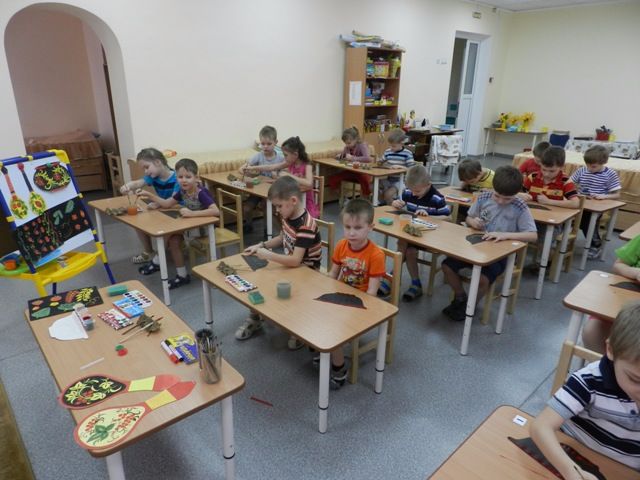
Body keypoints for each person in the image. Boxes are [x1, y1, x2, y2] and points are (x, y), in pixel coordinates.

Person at [531, 301, 640, 478]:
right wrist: (571, 471)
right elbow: (541, 426)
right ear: (611, 350)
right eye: (635, 379)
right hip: (576, 458)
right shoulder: (590, 380)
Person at [441, 166, 537, 321]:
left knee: (483, 279)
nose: (501, 201)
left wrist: (505, 235)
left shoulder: (520, 207)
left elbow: (533, 235)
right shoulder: (484, 197)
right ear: (493, 188)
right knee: (447, 266)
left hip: (499, 254)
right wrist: (473, 222)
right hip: (475, 246)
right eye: (497, 196)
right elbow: (469, 217)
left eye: (507, 199)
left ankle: (470, 306)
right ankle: (460, 297)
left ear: (516, 194)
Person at [237, 176, 322, 350]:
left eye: (278, 206)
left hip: (308, 272)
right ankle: (255, 317)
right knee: (256, 279)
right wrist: (261, 245)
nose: (276, 210)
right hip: (292, 267)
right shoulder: (289, 215)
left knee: (269, 280)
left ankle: (300, 328)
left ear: (293, 201)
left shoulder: (306, 225)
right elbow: (283, 237)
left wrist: (269, 255)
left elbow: (296, 260)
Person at [327, 198, 385, 388]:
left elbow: (372, 293)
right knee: (313, 315)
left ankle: (339, 368)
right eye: (347, 227)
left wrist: (348, 309)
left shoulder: (376, 255)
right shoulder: (341, 245)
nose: (351, 233)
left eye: (358, 228)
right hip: (341, 296)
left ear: (371, 227)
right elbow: (333, 274)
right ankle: (324, 352)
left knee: (332, 329)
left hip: (360, 303)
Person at [137, 158, 219, 289]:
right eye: (180, 177)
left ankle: (157, 261)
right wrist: (149, 195)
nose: (184, 180)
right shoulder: (182, 191)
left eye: (188, 177)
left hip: (204, 228)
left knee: (167, 232)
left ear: (196, 177)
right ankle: (182, 276)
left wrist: (192, 214)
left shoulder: (201, 192)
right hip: (190, 227)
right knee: (173, 241)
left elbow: (216, 211)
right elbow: (167, 203)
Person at [378, 165, 450, 301]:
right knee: (407, 248)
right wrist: (396, 203)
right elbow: (400, 203)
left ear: (428, 185)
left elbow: (448, 217)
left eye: (417, 191)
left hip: (429, 237)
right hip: (412, 234)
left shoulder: (436, 198)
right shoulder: (408, 192)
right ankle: (415, 284)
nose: (414, 194)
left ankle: (392, 277)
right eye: (411, 190)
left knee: (403, 245)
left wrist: (429, 216)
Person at [582, 234, 640, 353]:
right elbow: (618, 265)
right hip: (632, 291)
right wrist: (635, 272)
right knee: (592, 332)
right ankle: (607, 361)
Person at [119, 148, 179, 264]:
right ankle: (148, 251)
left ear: (158, 162)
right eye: (144, 169)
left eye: (147, 167)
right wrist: (128, 186)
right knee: (138, 222)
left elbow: (173, 201)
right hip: (163, 208)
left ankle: (160, 255)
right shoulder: (154, 177)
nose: (146, 172)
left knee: (164, 228)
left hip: (176, 209)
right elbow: (138, 183)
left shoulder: (177, 178)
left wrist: (157, 202)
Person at [570, 145, 621, 259]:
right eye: (587, 165)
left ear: (604, 162)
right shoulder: (582, 170)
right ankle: (561, 240)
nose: (589, 168)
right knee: (566, 217)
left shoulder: (610, 174)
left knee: (586, 222)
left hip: (596, 208)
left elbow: (617, 195)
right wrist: (574, 190)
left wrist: (604, 196)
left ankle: (595, 245)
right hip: (581, 203)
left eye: (593, 166)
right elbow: (569, 183)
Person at [238, 125, 284, 233]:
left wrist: (275, 177)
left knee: (266, 207)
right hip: (258, 190)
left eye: (269, 144)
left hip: (273, 192)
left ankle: (267, 231)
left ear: (276, 142)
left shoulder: (281, 159)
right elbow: (241, 169)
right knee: (247, 208)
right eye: (263, 144)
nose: (265, 147)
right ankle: (248, 225)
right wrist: (248, 173)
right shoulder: (259, 155)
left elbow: (283, 178)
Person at [327, 126, 373, 200]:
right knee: (333, 179)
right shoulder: (347, 147)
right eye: (345, 143)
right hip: (351, 171)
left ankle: (365, 200)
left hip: (362, 172)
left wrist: (352, 158)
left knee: (365, 181)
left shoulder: (362, 145)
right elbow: (344, 155)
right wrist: (340, 156)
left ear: (356, 139)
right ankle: (343, 198)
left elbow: (368, 158)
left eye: (349, 143)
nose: (347, 145)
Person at [379, 128, 416, 205]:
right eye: (390, 145)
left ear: (402, 143)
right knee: (372, 186)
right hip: (388, 179)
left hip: (401, 181)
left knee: (388, 194)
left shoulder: (407, 153)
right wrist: (380, 162)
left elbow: (413, 170)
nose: (391, 148)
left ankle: (391, 207)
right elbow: (380, 162)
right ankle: (383, 203)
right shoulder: (388, 152)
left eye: (394, 146)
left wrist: (401, 167)